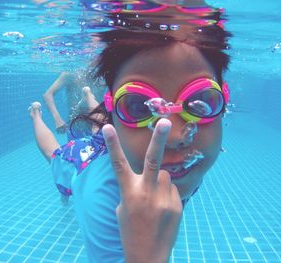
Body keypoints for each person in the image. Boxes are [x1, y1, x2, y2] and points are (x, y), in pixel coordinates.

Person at [30, 2, 231, 262]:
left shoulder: (184, 161)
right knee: (54, 154)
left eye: (201, 101)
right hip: (81, 163)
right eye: (137, 106)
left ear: (224, 102)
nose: (173, 137)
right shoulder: (103, 200)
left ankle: (112, 109)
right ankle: (34, 114)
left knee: (105, 127)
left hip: (115, 138)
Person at [43, 70, 99, 138]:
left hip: (99, 126)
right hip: (76, 128)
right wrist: (57, 119)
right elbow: (48, 94)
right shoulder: (70, 74)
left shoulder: (102, 73)